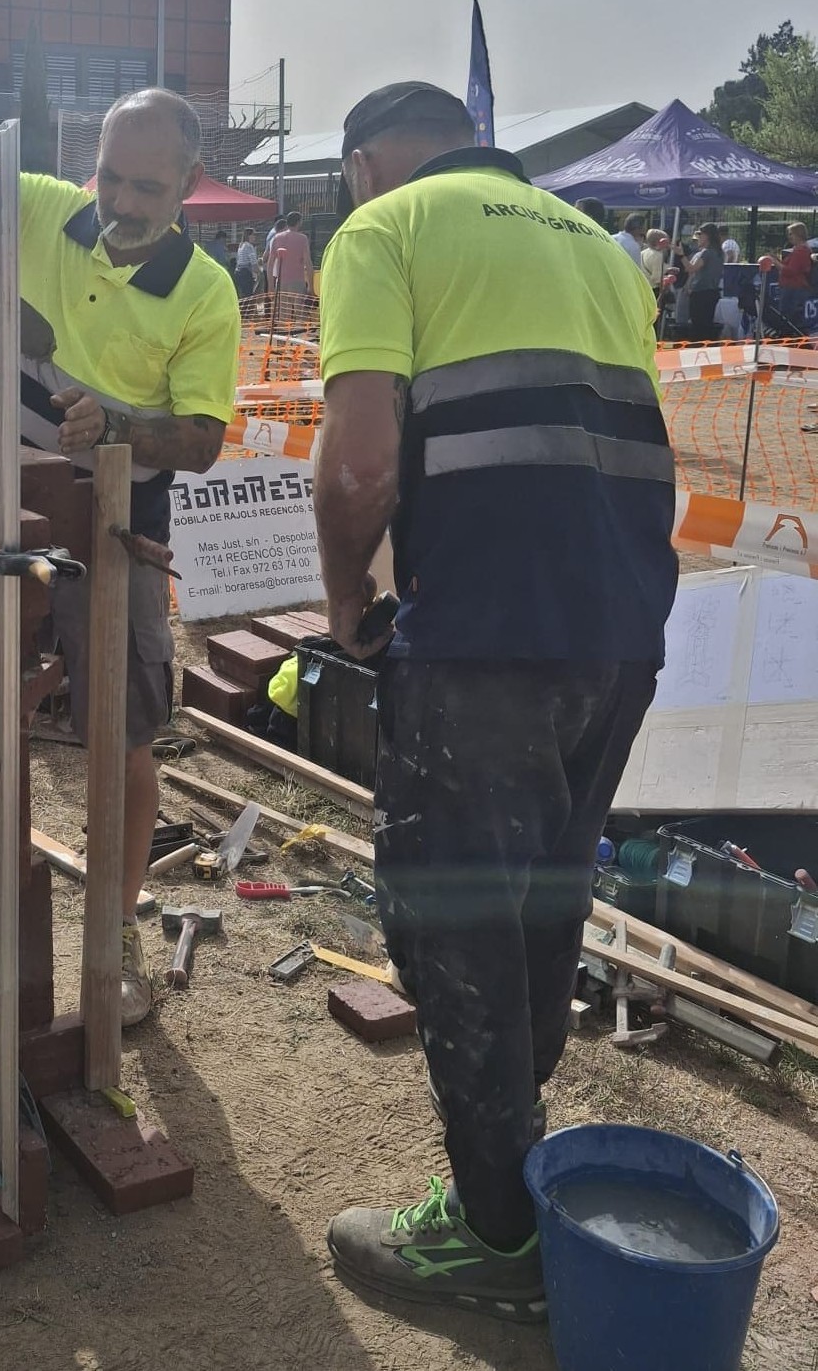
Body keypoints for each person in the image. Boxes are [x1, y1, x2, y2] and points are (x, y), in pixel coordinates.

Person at [314, 81, 675, 1321]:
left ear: (364, 164)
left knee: (449, 919)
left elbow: (358, 463)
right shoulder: (600, 247)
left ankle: (493, 1238)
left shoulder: (386, 229)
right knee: (538, 900)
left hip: (480, 634)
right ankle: (512, 1178)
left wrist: (341, 598)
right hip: (619, 632)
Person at [0, 87, 240, 1030]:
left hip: (115, 517)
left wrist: (119, 425)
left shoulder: (205, 292)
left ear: (190, 185)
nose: (122, 203)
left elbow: (203, 437)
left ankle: (113, 936)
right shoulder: (40, 203)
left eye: (147, 189)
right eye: (112, 178)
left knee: (119, 731)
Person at [683, 221, 725, 341]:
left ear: (708, 236)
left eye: (701, 234)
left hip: (701, 293)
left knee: (698, 327)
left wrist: (681, 255)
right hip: (712, 293)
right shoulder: (719, 253)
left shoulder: (707, 253)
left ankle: (697, 349)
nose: (699, 237)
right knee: (707, 325)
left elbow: (691, 268)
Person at [778, 221, 814, 330]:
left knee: (789, 318)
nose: (789, 237)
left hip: (794, 289)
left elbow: (791, 271)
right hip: (792, 288)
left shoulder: (801, 251)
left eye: (791, 234)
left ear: (798, 234)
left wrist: (775, 262)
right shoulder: (798, 250)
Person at [235, 228, 258, 298]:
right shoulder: (249, 246)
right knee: (248, 296)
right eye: (253, 235)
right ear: (249, 236)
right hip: (246, 273)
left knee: (242, 295)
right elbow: (253, 263)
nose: (255, 237)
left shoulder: (241, 245)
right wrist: (259, 273)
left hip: (238, 272)